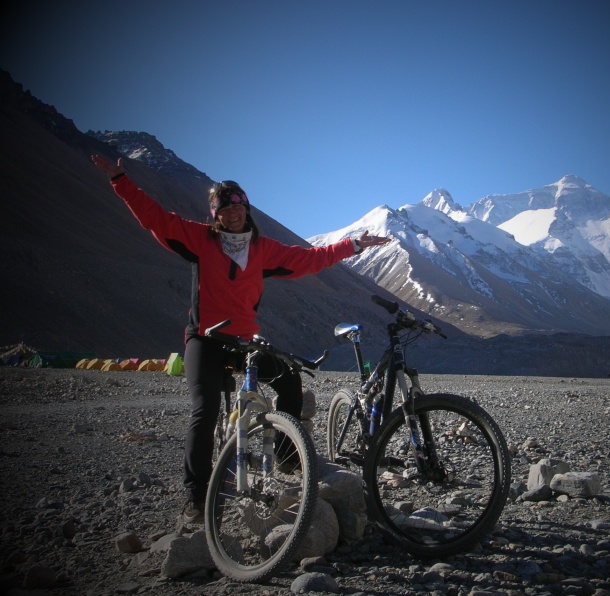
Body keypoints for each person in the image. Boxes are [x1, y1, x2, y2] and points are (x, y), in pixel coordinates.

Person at [91, 154, 390, 523]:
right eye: (225, 209)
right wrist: (120, 179)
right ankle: (196, 497)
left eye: (239, 207)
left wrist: (354, 245)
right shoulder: (200, 240)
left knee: (289, 381)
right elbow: (155, 218)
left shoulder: (262, 250)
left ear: (247, 210)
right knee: (205, 411)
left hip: (244, 342)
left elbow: (310, 259)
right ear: (215, 215)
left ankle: (284, 453)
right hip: (204, 339)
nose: (234, 214)